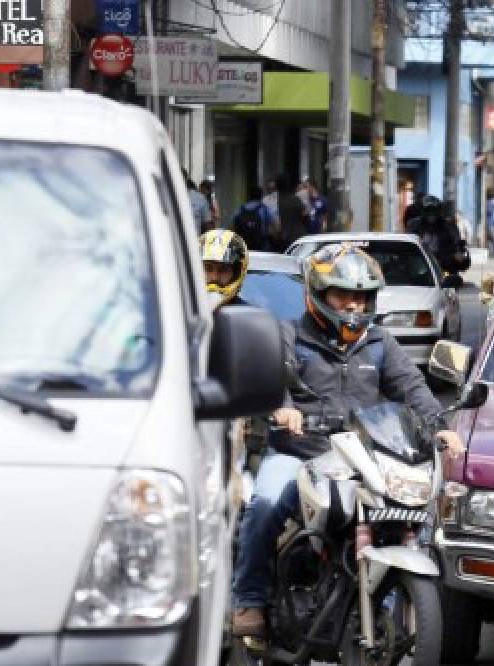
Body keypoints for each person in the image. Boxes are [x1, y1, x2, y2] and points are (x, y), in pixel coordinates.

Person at [230, 244, 465, 638]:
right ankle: (248, 599)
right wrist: (283, 409)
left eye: (361, 296)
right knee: (267, 503)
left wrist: (440, 424)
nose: (353, 306)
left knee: (412, 511)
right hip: (299, 453)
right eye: (343, 295)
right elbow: (272, 381)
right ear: (317, 295)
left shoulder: (379, 344)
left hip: (361, 458)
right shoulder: (289, 336)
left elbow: (412, 388)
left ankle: (381, 593)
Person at [406, 195, 470, 284]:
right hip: (419, 270)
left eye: (434, 211)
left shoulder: (449, 226)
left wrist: (459, 255)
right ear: (422, 211)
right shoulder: (414, 225)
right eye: (428, 210)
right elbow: (408, 247)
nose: (431, 215)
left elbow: (458, 246)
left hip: (443, 270)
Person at [199, 229, 248, 310]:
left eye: (223, 269)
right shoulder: (180, 309)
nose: (214, 277)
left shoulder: (247, 315)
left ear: (236, 273)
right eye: (207, 268)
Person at [231, 187, 278, 252]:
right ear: (261, 196)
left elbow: (232, 226)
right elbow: (275, 228)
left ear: (249, 196)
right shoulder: (264, 210)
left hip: (243, 246)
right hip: (261, 247)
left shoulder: (240, 210)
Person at [274, 175, 307, 252]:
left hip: (282, 238)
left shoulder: (271, 201)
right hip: (298, 236)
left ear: (276, 186)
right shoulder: (296, 200)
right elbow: (305, 215)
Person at [184, 169, 213, 234]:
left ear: (186, 179)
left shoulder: (200, 198)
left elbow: (207, 223)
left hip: (194, 241)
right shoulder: (163, 197)